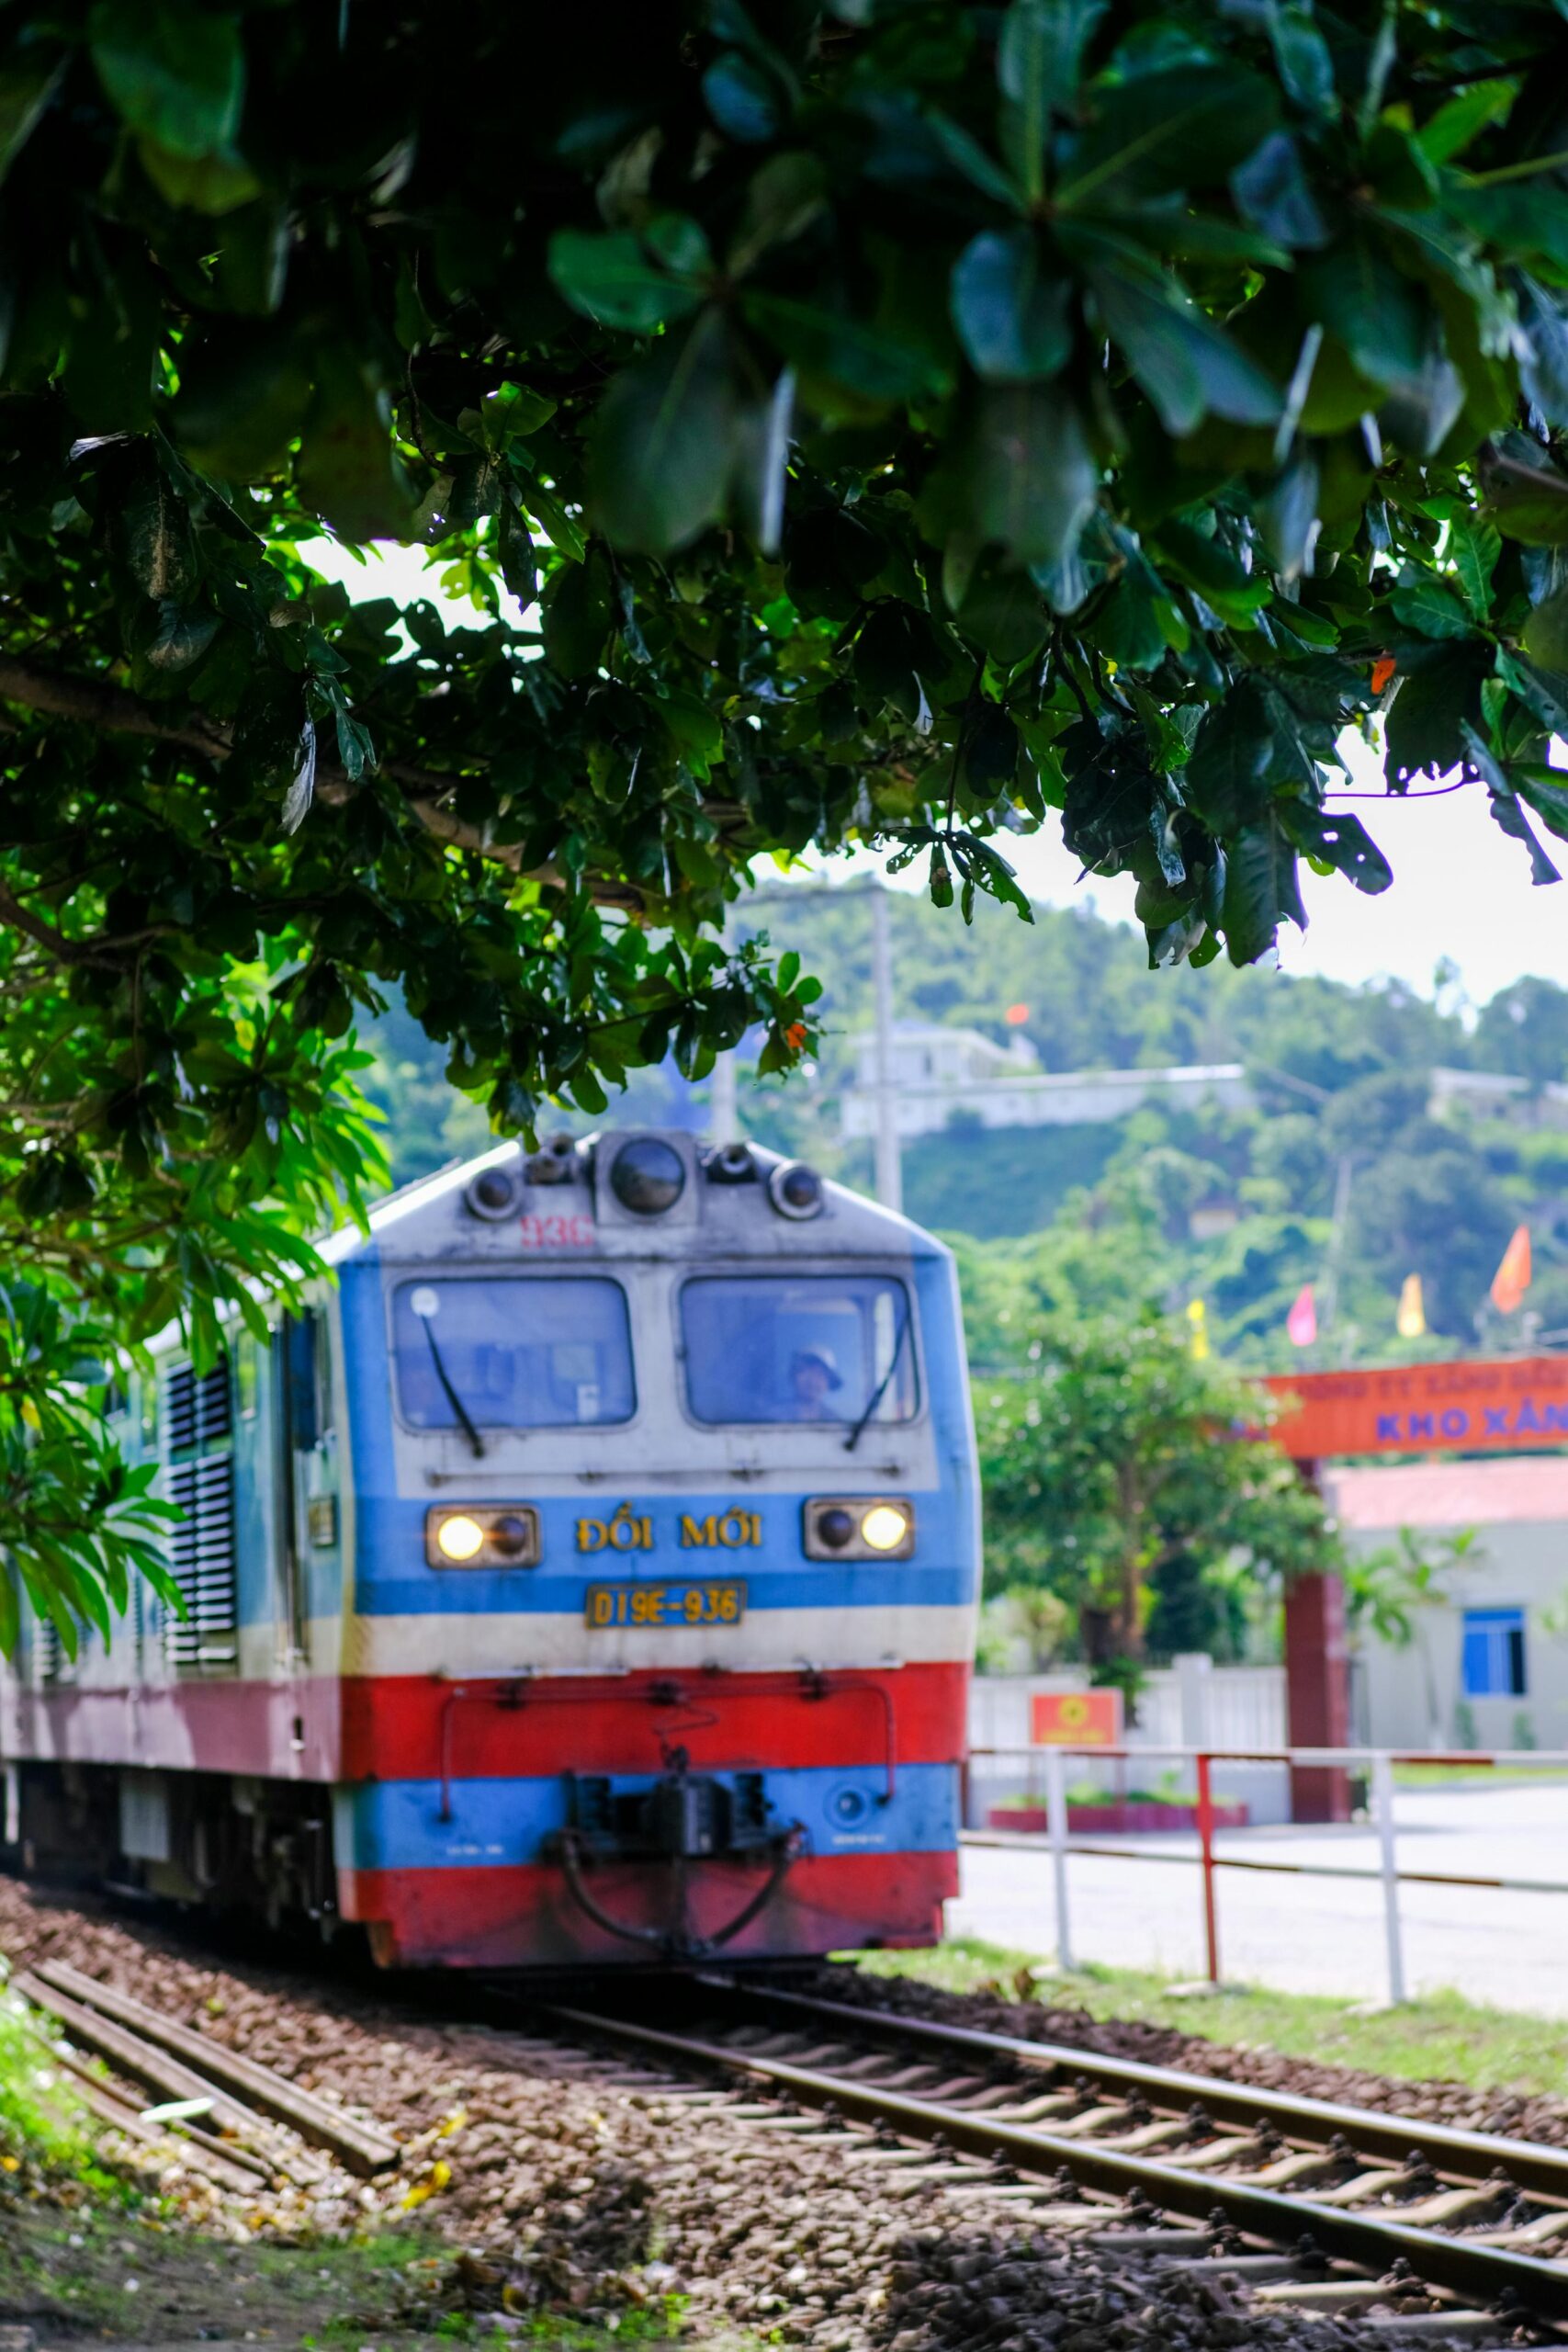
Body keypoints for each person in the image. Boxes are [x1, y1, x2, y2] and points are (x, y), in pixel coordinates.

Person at [781, 1347, 844, 1420]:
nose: (812, 1381)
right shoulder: (774, 1417)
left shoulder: (835, 1421)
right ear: (793, 1377)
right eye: (805, 1371)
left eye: (820, 1374)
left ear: (829, 1383)